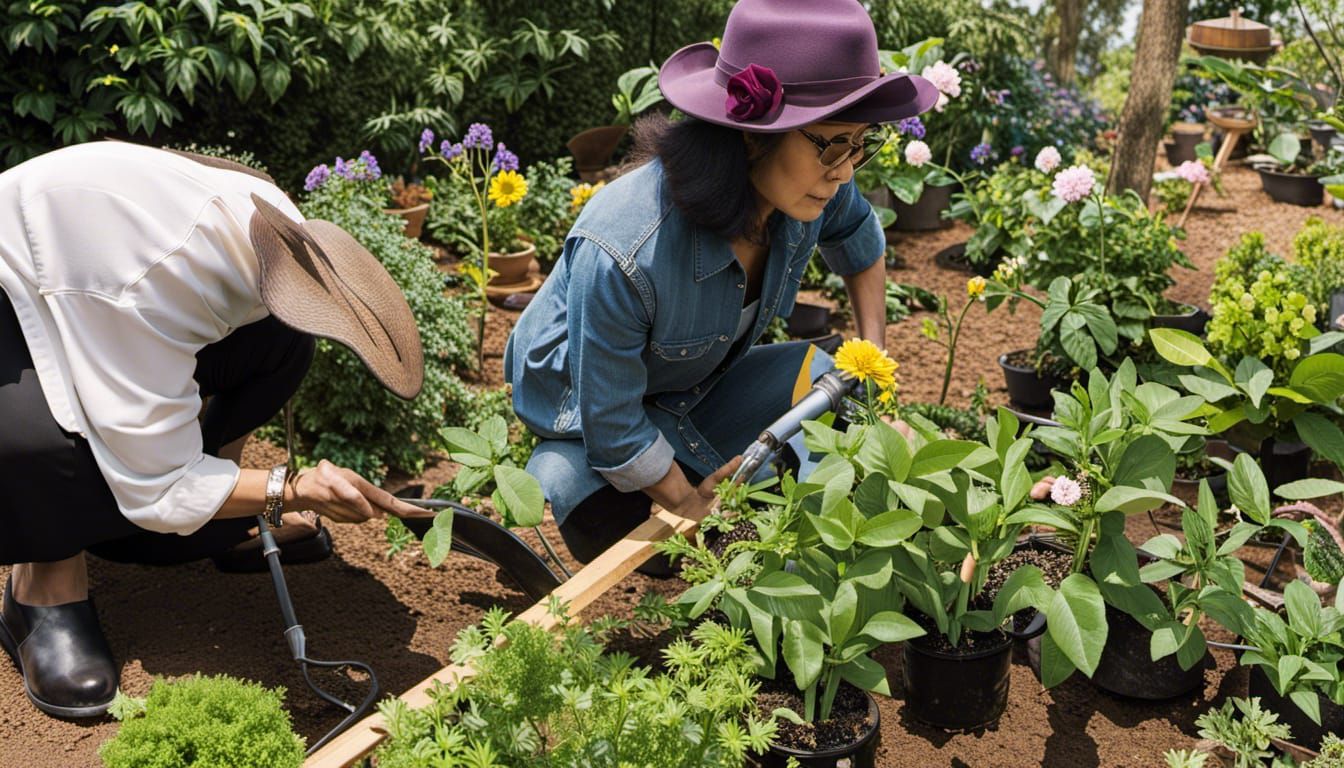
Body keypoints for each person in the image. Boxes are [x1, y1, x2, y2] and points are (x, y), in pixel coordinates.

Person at [0, 141, 428, 718]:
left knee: (280, 345)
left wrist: (240, 492)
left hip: (85, 269)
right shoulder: (149, 286)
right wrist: (289, 488)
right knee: (53, 443)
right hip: (16, 294)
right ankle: (42, 585)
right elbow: (159, 482)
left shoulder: (277, 228)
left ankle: (223, 513)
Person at [505, 0, 937, 566]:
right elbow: (610, 420)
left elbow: (860, 240)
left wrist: (873, 365)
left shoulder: (811, 187)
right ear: (752, 136)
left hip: (694, 388)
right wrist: (687, 501)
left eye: (861, 143)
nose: (847, 169)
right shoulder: (625, 248)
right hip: (586, 416)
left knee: (836, 386)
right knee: (571, 491)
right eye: (833, 143)